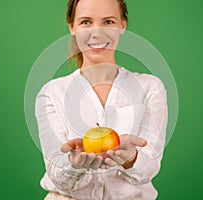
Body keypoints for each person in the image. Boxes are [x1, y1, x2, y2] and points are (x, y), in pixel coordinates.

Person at [35, 0, 168, 199]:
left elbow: (149, 168)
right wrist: (74, 165)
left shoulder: (150, 87)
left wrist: (131, 159)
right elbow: (57, 176)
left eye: (108, 21)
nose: (97, 32)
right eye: (86, 22)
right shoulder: (51, 93)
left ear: (122, 25)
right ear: (72, 27)